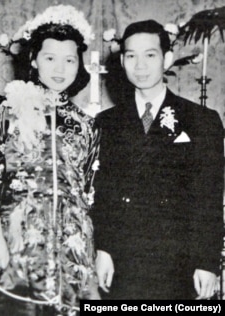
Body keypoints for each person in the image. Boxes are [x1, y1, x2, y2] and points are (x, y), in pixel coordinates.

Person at [0, 4, 100, 315]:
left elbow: (91, 192)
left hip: (73, 255)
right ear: (34, 59)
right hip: (19, 249)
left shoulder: (87, 125)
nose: (59, 68)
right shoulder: (5, 112)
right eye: (50, 58)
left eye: (69, 60)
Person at [92, 20, 224, 300]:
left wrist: (207, 262)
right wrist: (103, 248)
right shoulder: (107, 122)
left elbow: (209, 197)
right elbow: (102, 192)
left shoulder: (202, 121)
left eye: (149, 55)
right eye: (131, 56)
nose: (139, 65)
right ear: (122, 61)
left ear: (167, 58)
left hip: (181, 261)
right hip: (122, 260)